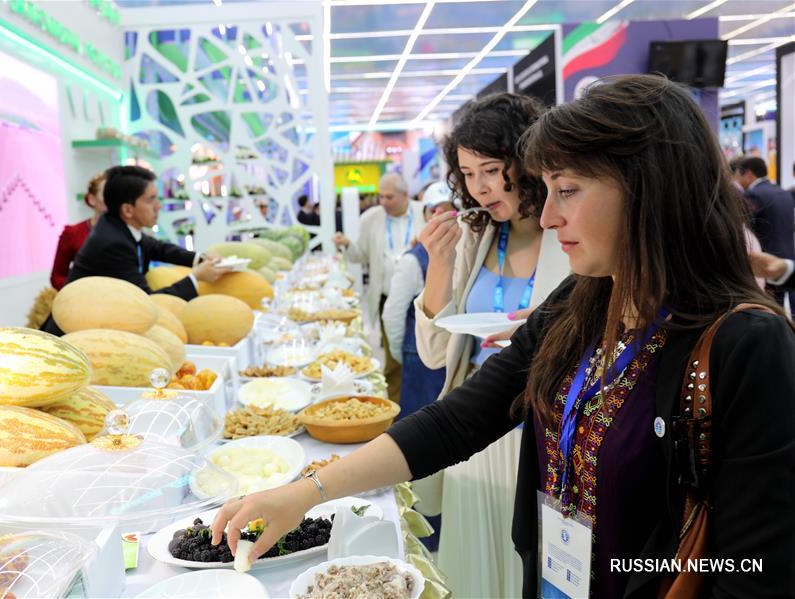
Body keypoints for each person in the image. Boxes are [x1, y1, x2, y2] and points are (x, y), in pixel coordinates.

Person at [211, 75, 795, 598]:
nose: (546, 218)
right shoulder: (584, 303)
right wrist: (306, 492)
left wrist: (629, 567)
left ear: (649, 190)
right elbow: (463, 418)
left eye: (568, 191)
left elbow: (753, 567)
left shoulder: (746, 345)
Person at [413, 93, 570, 598]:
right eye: (467, 173)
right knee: (473, 576)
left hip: (547, 434)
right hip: (476, 430)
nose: (479, 188)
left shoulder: (570, 232)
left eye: (491, 169)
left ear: (526, 161)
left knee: (537, 572)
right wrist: (437, 265)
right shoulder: (474, 235)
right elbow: (437, 354)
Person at [42, 166, 229, 335]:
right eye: (151, 200)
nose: (159, 206)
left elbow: (158, 248)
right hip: (70, 336)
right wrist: (196, 278)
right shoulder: (112, 243)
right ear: (128, 210)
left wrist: (200, 258)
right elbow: (147, 302)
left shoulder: (117, 226)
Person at [333, 173, 425, 401]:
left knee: (424, 355)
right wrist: (347, 245)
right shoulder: (371, 218)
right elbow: (360, 256)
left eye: (389, 197)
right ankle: (397, 411)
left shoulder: (424, 212)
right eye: (380, 196)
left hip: (423, 299)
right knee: (395, 359)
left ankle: (425, 405)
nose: (383, 201)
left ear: (405, 195)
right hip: (388, 298)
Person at [381, 181, 454, 419]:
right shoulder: (413, 260)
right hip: (420, 360)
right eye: (433, 210)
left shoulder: (470, 255)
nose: (440, 216)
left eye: (448, 208)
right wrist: (403, 353)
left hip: (453, 359)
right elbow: (392, 314)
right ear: (424, 215)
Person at [733, 157, 795, 311]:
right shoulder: (783, 191)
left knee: (767, 312)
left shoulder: (754, 195)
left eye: (738, 175)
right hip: (787, 258)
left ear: (748, 174)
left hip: (765, 263)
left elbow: (744, 229)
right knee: (781, 311)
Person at [49, 172, 107, 289]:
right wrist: (78, 291)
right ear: (92, 199)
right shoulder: (73, 233)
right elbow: (57, 276)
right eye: (106, 194)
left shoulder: (125, 231)